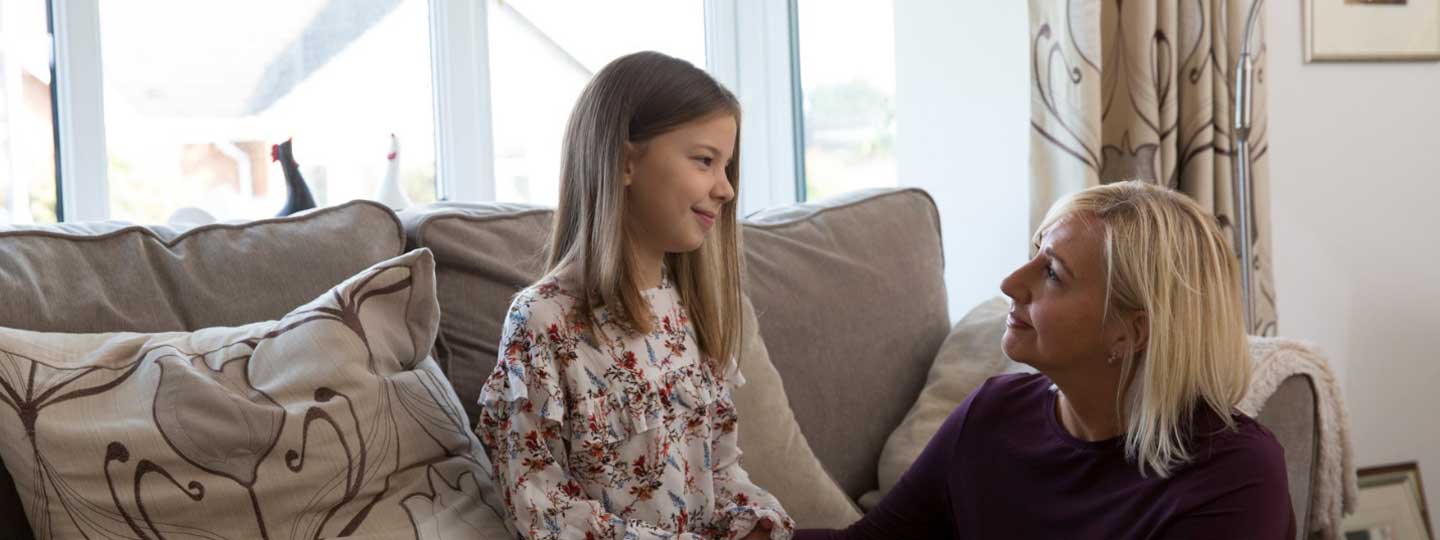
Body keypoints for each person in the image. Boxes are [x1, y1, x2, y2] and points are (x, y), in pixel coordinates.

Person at [797, 181, 1294, 539]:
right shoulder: (993, 414)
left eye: (1052, 272)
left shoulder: (1233, 475)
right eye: (1035, 254)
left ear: (1130, 331)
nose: (1012, 282)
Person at [475, 51, 793, 540]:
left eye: (726, 167)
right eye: (706, 161)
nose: (726, 189)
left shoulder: (687, 308)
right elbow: (541, 507)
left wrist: (755, 523)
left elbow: (721, 471)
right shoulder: (542, 321)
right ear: (625, 162)